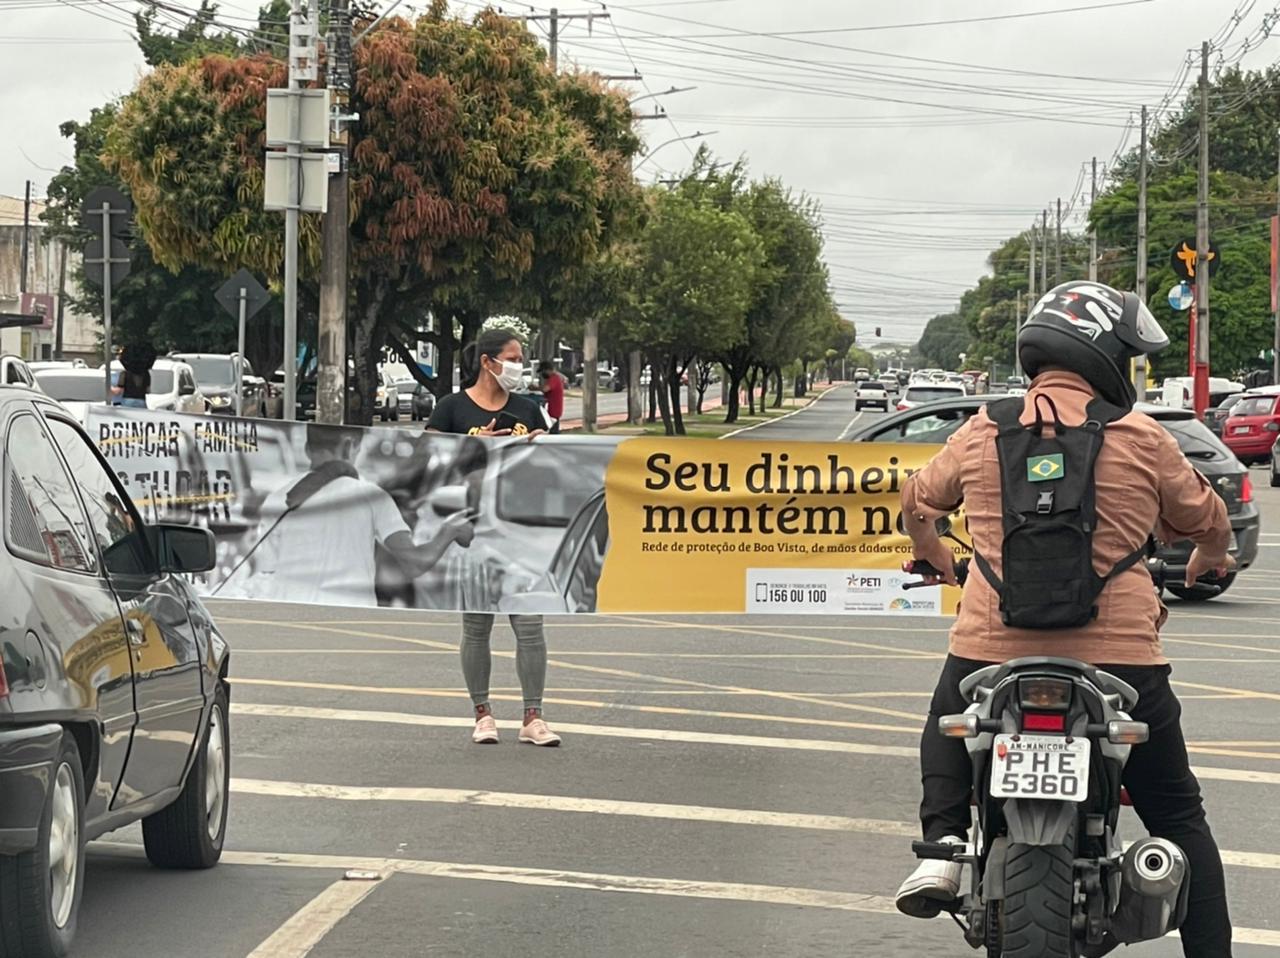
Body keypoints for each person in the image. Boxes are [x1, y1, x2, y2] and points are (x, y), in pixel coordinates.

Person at [894, 282, 1235, 957]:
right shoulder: (1142, 436)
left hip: (989, 651)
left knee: (943, 727)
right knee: (1178, 815)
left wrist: (931, 554)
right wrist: (1207, 560)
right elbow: (1210, 520)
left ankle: (941, 849)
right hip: (1122, 663)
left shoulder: (983, 427)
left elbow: (919, 502)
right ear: (1107, 352)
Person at [427, 328, 561, 747]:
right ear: (488, 362)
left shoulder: (527, 409)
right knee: (476, 626)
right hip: (473, 535)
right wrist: (472, 445)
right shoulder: (451, 409)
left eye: (521, 358)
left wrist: (539, 446)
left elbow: (550, 468)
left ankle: (533, 717)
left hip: (520, 531)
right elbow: (426, 460)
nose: (519, 366)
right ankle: (482, 714)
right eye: (513, 357)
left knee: (530, 625)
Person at [222, 424, 473, 606]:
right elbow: (414, 563)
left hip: (290, 619)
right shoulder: (372, 497)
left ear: (308, 449)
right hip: (351, 621)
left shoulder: (277, 500)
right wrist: (449, 531)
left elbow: (266, 573)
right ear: (350, 446)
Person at [538, 360, 565, 433]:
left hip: (553, 410)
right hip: (553, 410)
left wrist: (536, 388)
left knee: (553, 432)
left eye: (543, 372)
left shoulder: (554, 378)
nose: (542, 374)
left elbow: (546, 389)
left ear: (548, 370)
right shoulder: (555, 378)